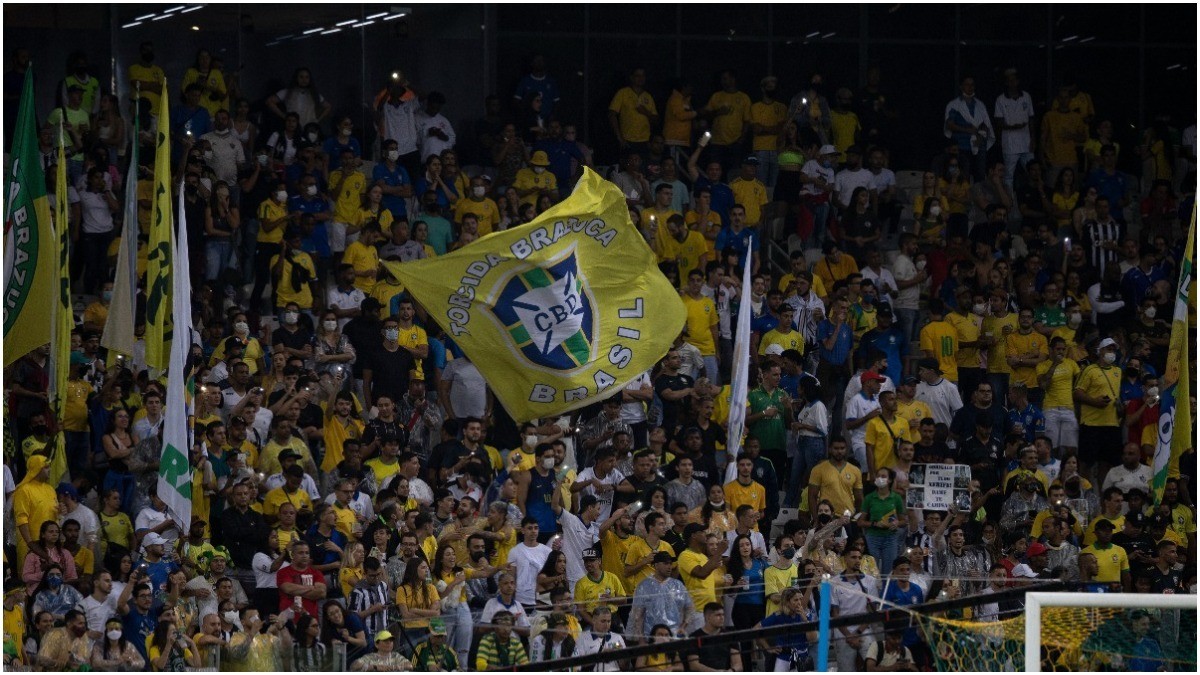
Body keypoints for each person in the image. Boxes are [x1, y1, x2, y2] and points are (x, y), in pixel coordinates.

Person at [687, 602, 741, 671]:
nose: (722, 618)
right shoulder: (694, 637)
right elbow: (694, 665)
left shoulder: (729, 635)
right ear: (708, 617)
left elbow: (738, 663)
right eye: (718, 615)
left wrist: (731, 671)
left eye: (723, 615)